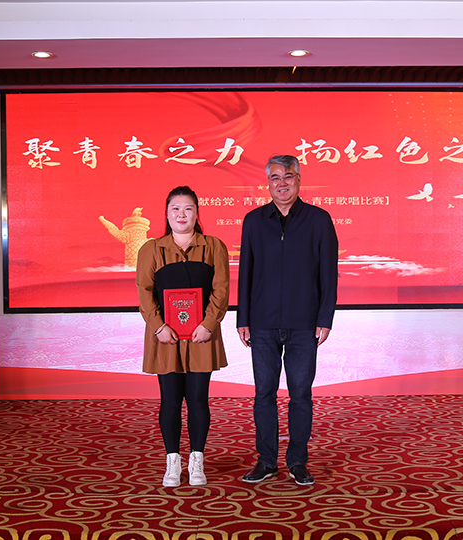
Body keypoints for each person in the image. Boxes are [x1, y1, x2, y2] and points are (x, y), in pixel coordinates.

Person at [237, 155, 338, 486]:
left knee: (301, 395)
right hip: (262, 322)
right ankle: (266, 461)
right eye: (275, 177)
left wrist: (325, 318)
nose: (282, 183)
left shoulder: (319, 220)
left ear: (299, 180)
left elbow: (328, 273)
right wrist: (243, 318)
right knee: (263, 394)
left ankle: (297, 460)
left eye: (288, 176)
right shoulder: (254, 221)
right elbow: (246, 272)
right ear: (268, 183)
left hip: (304, 322)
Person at [136, 186, 230, 488]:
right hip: (166, 337)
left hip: (202, 335)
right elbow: (144, 292)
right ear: (166, 214)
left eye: (188, 208)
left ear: (197, 213)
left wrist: (209, 323)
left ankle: (197, 459)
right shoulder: (151, 249)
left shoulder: (214, 246)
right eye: (175, 209)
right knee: (170, 400)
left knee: (199, 399)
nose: (181, 214)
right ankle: (173, 461)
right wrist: (158, 326)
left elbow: (221, 289)